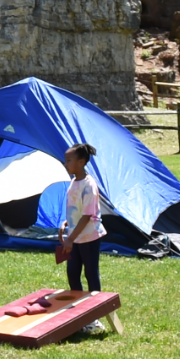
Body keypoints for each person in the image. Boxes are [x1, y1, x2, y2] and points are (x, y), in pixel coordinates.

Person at [59, 142, 107, 332]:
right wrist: (66, 223)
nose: (66, 164)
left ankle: (95, 317)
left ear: (81, 162)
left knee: (90, 273)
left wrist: (71, 238)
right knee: (72, 272)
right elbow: (75, 211)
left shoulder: (89, 184)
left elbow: (87, 216)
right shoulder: (74, 181)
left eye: (69, 160)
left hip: (89, 236)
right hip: (75, 235)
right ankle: (79, 312)